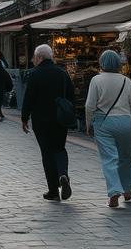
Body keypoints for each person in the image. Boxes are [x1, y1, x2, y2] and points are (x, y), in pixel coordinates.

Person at [85, 49, 131, 208]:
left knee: (110, 158)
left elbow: (90, 105)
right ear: (118, 63)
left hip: (104, 122)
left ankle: (114, 192)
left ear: (101, 63)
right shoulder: (126, 80)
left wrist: (88, 124)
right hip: (124, 121)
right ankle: (128, 188)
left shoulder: (96, 80)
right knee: (126, 155)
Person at [21, 44, 75, 202]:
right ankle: (63, 174)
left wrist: (24, 117)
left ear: (39, 57)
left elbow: (28, 98)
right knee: (59, 148)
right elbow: (71, 95)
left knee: (47, 152)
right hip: (60, 119)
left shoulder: (34, 74)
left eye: (34, 57)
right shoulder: (62, 73)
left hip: (41, 120)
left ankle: (53, 190)